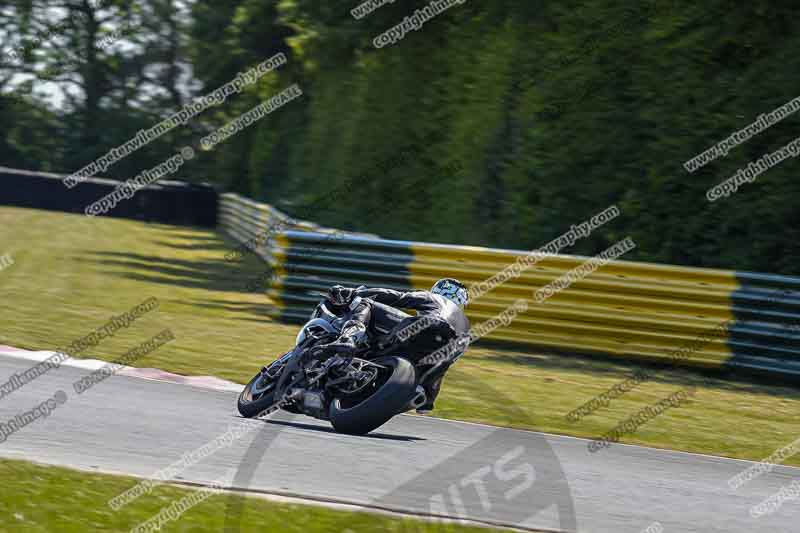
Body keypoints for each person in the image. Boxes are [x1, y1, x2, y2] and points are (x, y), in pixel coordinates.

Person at [309, 279, 470, 413]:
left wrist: (355, 293)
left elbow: (398, 297)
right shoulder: (465, 334)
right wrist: (428, 399)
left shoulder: (436, 299)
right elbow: (441, 368)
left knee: (367, 304)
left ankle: (348, 338)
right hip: (424, 366)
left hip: (423, 329)